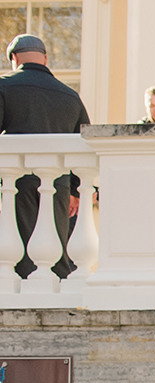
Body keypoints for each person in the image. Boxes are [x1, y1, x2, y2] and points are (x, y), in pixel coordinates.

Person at [1, 34, 89, 280]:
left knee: (22, 255)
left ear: (14, 59)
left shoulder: (4, 86)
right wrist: (74, 190)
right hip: (59, 185)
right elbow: (83, 144)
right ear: (45, 59)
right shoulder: (70, 95)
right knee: (56, 251)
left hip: (17, 184)